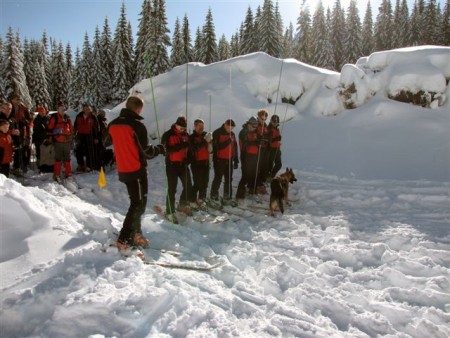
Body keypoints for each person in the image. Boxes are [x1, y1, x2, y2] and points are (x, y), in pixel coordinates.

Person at [107, 96, 165, 250]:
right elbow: (147, 152)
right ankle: (125, 239)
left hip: (124, 170)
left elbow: (106, 141)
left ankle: (136, 233)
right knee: (138, 204)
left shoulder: (113, 124)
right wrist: (159, 149)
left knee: (138, 203)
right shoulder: (136, 126)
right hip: (136, 170)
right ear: (138, 109)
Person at [161, 115, 196, 223]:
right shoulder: (167, 134)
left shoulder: (186, 135)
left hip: (183, 165)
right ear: (176, 125)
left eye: (184, 128)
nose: (182, 130)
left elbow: (190, 150)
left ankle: (182, 204)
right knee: (172, 188)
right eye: (181, 128)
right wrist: (180, 145)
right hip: (171, 165)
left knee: (188, 186)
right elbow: (165, 151)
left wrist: (188, 160)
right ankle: (169, 212)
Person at [209, 119, 239, 206]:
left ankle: (227, 196)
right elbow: (216, 147)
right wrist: (227, 142)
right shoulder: (217, 132)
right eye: (230, 127)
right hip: (219, 160)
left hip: (229, 160)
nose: (231, 129)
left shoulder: (232, 134)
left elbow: (235, 148)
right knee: (218, 178)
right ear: (225, 125)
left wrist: (236, 160)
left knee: (229, 179)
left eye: (232, 128)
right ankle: (213, 196)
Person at [47, 102, 74, 182]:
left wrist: (71, 136)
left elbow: (71, 129)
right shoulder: (54, 118)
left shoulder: (67, 118)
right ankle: (56, 174)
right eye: (61, 109)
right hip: (58, 141)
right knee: (58, 158)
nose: (63, 110)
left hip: (67, 141)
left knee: (67, 158)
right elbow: (49, 129)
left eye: (64, 109)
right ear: (57, 110)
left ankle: (68, 173)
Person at [236, 116, 260, 200]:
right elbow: (246, 144)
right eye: (253, 126)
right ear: (249, 124)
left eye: (256, 126)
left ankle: (252, 189)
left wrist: (260, 141)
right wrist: (256, 142)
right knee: (245, 175)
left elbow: (256, 141)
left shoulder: (254, 131)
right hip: (246, 155)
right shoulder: (243, 132)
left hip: (254, 155)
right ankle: (239, 195)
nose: (255, 128)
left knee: (254, 173)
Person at [189, 119, 211, 209]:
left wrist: (211, 141)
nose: (201, 128)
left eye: (203, 126)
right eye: (199, 126)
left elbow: (211, 148)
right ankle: (192, 200)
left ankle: (201, 199)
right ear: (195, 126)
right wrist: (204, 142)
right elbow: (193, 149)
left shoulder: (205, 134)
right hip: (196, 163)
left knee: (205, 182)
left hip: (205, 162)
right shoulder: (192, 137)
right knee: (197, 183)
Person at [10, 94, 33, 176]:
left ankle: (18, 166)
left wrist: (26, 121)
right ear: (12, 100)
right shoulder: (9, 107)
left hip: (22, 131)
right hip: (11, 130)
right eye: (16, 99)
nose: (18, 101)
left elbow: (30, 119)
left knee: (20, 148)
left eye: (19, 99)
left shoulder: (23, 108)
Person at [74, 103, 99, 172]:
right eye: (85, 109)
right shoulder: (79, 116)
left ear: (90, 109)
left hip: (89, 135)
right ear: (83, 109)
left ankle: (89, 166)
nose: (87, 110)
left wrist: (96, 137)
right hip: (80, 135)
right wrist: (73, 134)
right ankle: (80, 165)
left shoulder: (93, 117)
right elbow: (75, 126)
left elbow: (96, 128)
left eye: (88, 109)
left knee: (89, 151)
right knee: (79, 151)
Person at [255, 109, 270, 193]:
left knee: (264, 167)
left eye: (265, 119)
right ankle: (256, 183)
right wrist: (259, 139)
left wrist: (268, 138)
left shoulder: (265, 126)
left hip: (264, 148)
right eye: (262, 118)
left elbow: (267, 135)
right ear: (258, 117)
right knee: (257, 167)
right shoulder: (255, 124)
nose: (263, 120)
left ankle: (260, 182)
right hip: (257, 149)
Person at [32, 104, 51, 171]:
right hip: (38, 138)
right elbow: (34, 130)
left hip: (47, 138)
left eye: (43, 112)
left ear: (45, 111)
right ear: (39, 112)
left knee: (47, 152)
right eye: (40, 112)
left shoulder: (48, 118)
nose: (42, 113)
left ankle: (47, 166)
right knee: (39, 152)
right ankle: (40, 166)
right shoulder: (36, 120)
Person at [267, 114, 282, 180]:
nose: (275, 123)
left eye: (276, 122)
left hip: (277, 149)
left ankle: (270, 176)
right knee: (270, 165)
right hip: (271, 149)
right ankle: (268, 177)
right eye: (274, 122)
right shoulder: (268, 129)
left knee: (279, 164)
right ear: (271, 121)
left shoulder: (276, 129)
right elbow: (268, 139)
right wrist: (277, 139)